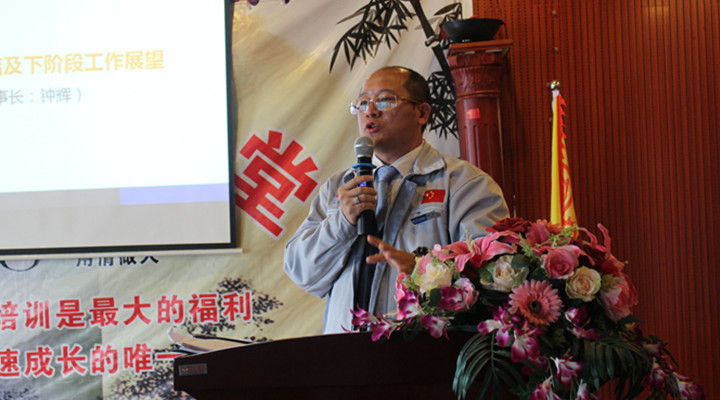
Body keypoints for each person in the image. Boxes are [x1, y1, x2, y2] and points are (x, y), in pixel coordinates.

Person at [284, 66, 509, 334]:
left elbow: (495, 280)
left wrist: (423, 271)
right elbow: (301, 273)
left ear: (422, 113)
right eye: (363, 102)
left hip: (421, 351)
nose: (371, 111)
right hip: (343, 353)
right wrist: (341, 223)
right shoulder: (339, 187)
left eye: (385, 100)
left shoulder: (464, 183)